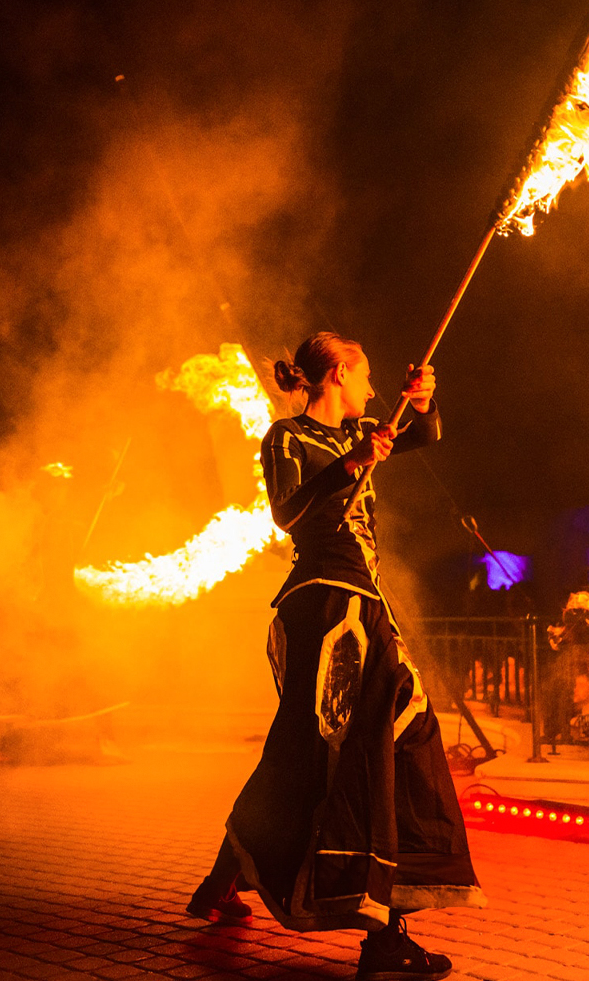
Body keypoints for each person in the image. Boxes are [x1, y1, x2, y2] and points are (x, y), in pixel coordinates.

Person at [186, 331, 483, 981]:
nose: (374, 391)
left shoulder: (368, 430)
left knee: (347, 747)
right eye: (367, 376)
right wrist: (351, 465)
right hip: (323, 605)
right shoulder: (286, 439)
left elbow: (422, 434)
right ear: (339, 373)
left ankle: (223, 880)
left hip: (364, 603)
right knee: (341, 753)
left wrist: (422, 400)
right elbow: (289, 515)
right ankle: (383, 937)